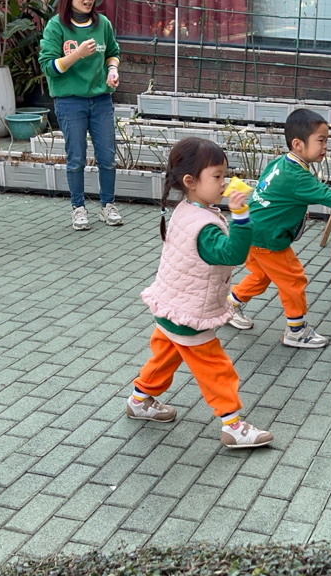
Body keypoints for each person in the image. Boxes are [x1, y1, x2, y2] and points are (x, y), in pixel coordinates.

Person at [131, 138, 274, 448]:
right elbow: (233, 254)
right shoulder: (205, 227)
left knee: (165, 356)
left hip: (170, 305)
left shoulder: (187, 209)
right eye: (217, 176)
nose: (225, 182)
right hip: (190, 312)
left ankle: (139, 400)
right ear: (190, 181)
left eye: (225, 174)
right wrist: (241, 216)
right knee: (216, 369)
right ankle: (233, 426)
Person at [227, 109, 331, 348]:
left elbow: (266, 192)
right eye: (321, 140)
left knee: (261, 276)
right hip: (268, 238)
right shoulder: (298, 176)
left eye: (326, 140)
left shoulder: (280, 163)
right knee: (293, 279)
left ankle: (230, 305)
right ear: (298, 144)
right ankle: (296, 331)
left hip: (251, 231)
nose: (326, 146)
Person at [38, 0, 124, 231]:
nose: (88, 0)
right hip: (70, 102)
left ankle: (108, 205)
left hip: (101, 100)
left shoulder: (103, 24)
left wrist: (112, 70)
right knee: (76, 157)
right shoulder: (56, 26)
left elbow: (113, 53)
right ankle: (78, 208)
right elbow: (48, 67)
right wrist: (77, 54)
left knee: (107, 156)